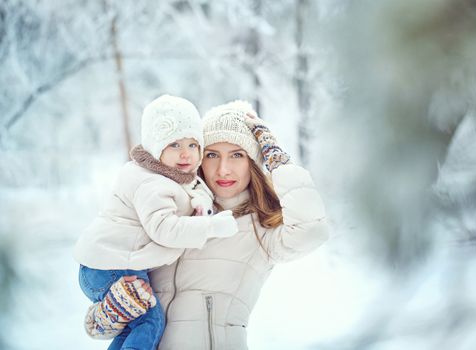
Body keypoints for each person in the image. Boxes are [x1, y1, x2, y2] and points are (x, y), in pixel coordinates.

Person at [148, 100, 330, 349]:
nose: (223, 169)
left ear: (253, 163)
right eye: (212, 155)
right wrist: (111, 305)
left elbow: (313, 231)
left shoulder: (260, 230)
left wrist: (278, 162)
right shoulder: (170, 213)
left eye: (237, 155)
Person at [73, 94, 239, 350]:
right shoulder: (151, 183)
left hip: (108, 262)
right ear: (155, 146)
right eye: (174, 144)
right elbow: (164, 229)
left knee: (135, 324)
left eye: (193, 145)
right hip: (110, 266)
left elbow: (194, 191)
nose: (185, 154)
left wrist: (202, 204)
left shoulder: (171, 178)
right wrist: (211, 226)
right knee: (149, 322)